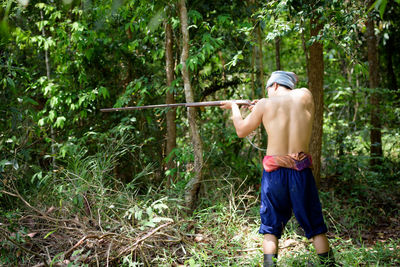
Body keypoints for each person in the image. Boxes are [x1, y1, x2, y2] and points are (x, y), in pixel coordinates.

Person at [220, 71, 336, 266]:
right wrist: (263, 104)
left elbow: (241, 130)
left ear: (273, 86)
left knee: (270, 228)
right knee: (316, 226)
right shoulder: (304, 95)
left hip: (274, 174)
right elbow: (287, 101)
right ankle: (329, 265)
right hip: (301, 171)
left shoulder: (266, 104)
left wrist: (234, 107)